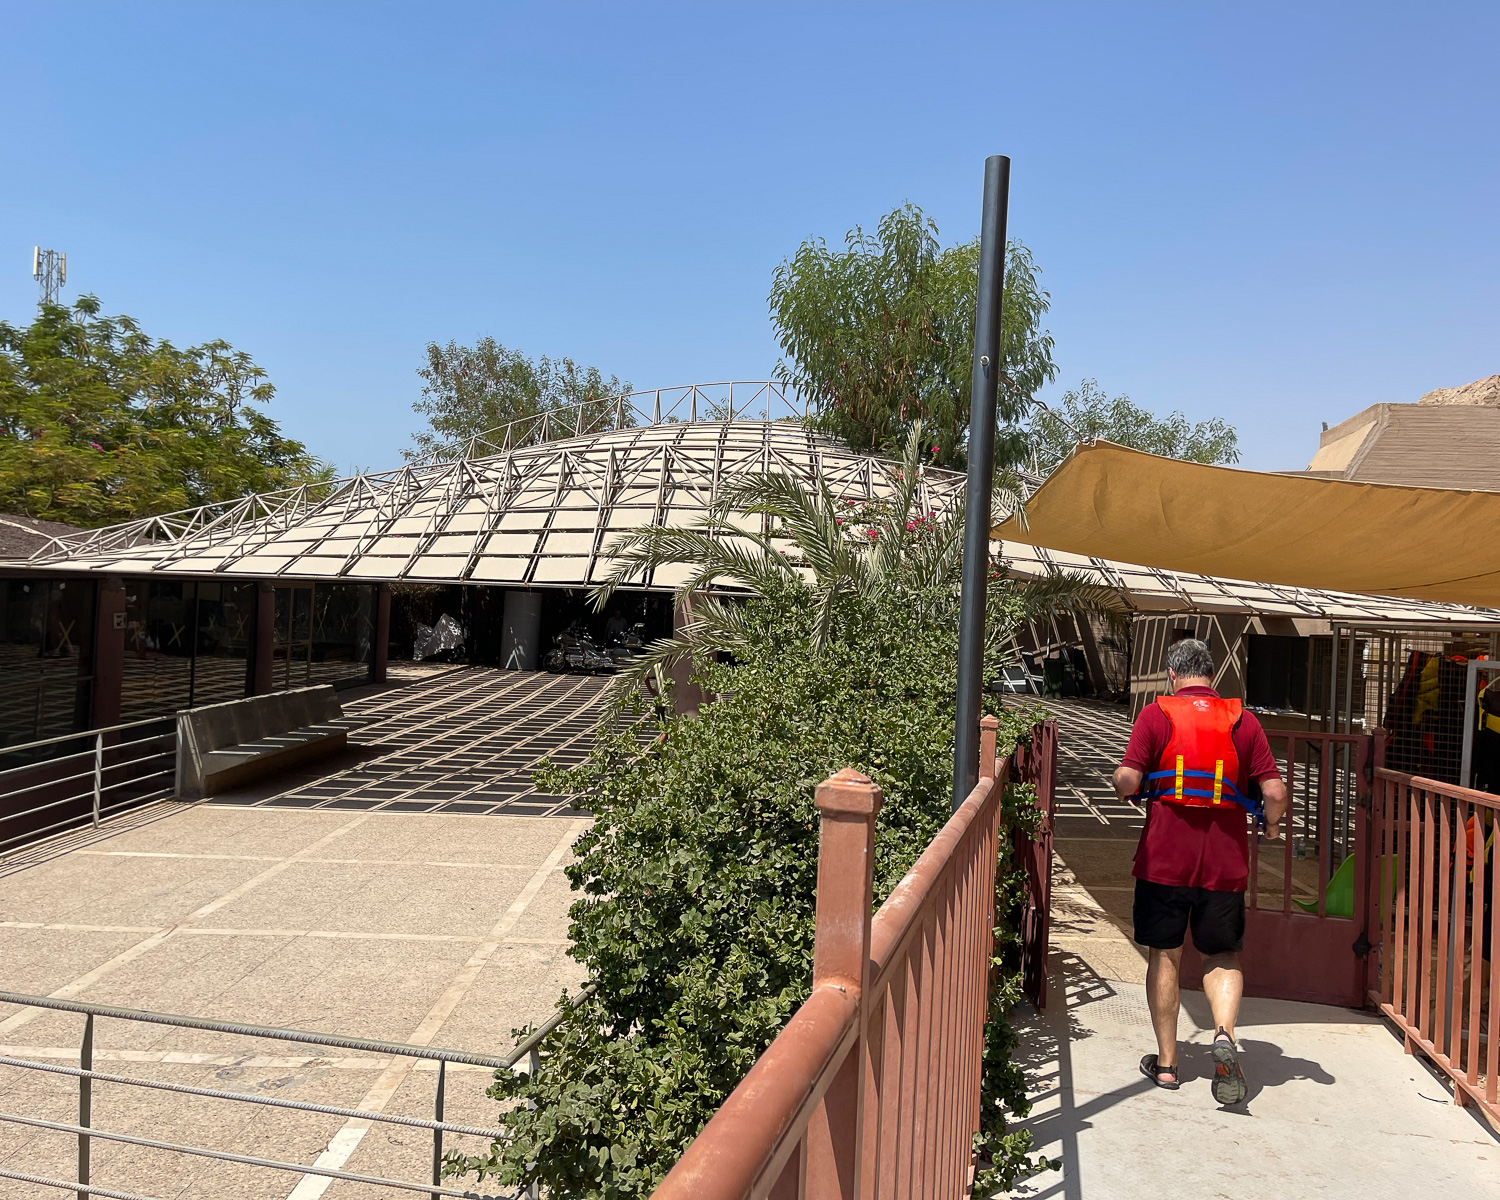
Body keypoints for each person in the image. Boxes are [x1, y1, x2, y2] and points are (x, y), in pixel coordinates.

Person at [1111, 638, 1288, 1105]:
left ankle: (1167, 1066)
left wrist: (1126, 784)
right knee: (1222, 956)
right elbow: (1274, 791)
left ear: (1173, 675)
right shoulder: (1243, 721)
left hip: (1164, 861)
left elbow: (1128, 779)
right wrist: (1270, 828)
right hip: (1224, 865)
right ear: (1210, 676)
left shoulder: (1156, 716)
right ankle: (1224, 1035)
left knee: (1165, 955)